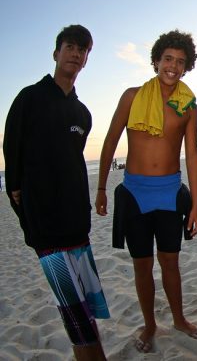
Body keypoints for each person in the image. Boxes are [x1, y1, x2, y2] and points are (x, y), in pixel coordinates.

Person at [3, 25, 109, 360]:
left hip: (77, 223)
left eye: (83, 50)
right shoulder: (29, 98)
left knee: (87, 307)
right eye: (70, 47)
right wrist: (19, 194)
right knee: (74, 313)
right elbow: (12, 150)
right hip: (46, 227)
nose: (76, 54)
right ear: (56, 53)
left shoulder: (82, 113)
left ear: (86, 60)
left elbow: (72, 163)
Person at [95, 30, 197, 353]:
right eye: (168, 59)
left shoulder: (188, 106)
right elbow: (110, 141)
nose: (173, 66)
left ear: (187, 67)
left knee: (170, 262)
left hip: (169, 193)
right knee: (141, 265)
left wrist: (196, 205)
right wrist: (101, 187)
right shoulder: (132, 96)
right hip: (134, 193)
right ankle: (150, 324)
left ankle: (180, 319)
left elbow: (193, 156)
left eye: (180, 62)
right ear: (156, 61)